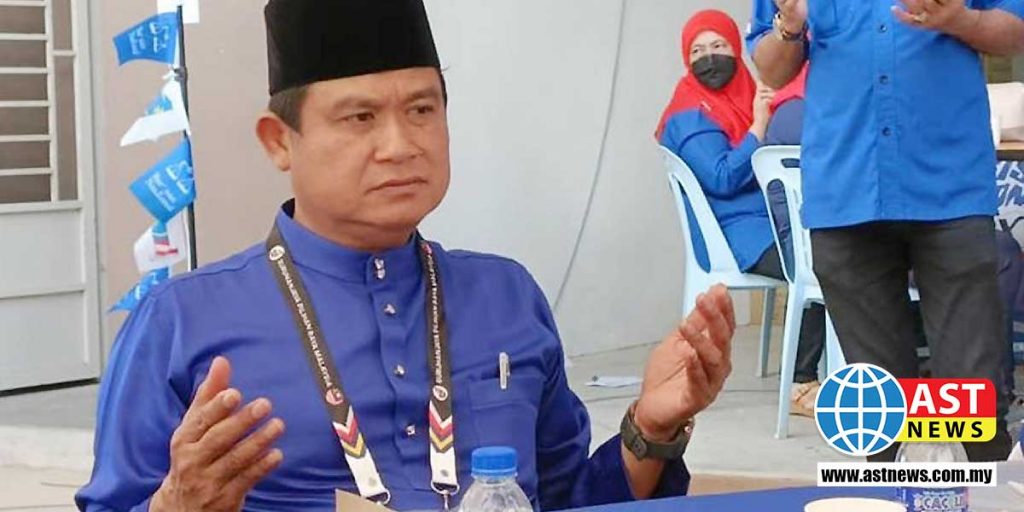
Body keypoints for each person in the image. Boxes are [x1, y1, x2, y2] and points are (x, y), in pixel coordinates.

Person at [76, 1, 738, 511]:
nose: (400, 145)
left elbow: (570, 500)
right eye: (359, 118)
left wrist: (651, 428)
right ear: (279, 141)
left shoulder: (506, 296)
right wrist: (175, 503)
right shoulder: (182, 321)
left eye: (422, 109)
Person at [749, 0, 1024, 461]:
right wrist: (790, 27)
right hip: (845, 187)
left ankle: (980, 483)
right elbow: (772, 71)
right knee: (876, 404)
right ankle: (886, 490)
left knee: (972, 400)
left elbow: (1016, 31)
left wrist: (961, 21)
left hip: (949, 184)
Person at [656, 10, 824, 417]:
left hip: (769, 222)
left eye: (719, 46)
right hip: (735, 235)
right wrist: (758, 128)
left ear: (736, 48)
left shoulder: (748, 92)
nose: (709, 58)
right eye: (698, 51)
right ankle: (802, 382)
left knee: (843, 246)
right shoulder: (688, 113)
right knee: (826, 263)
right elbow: (723, 177)